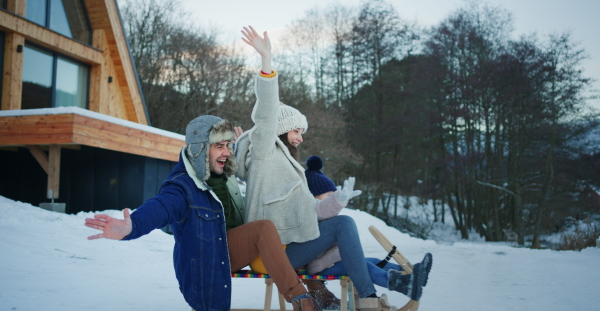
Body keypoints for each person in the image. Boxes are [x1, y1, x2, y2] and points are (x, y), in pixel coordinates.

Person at [234, 26, 432, 311]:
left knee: (346, 238)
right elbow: (265, 115)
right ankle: (370, 298)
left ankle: (388, 288)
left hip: (289, 248)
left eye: (302, 131)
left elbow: (309, 212)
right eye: (296, 130)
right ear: (279, 129)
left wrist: (338, 200)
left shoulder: (286, 165)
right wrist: (266, 61)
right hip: (272, 256)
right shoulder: (265, 153)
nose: (301, 137)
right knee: (345, 225)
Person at [84, 115, 316, 311]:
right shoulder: (182, 186)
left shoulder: (223, 174)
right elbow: (162, 206)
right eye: (219, 146)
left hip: (228, 249)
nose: (226, 152)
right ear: (200, 150)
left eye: (228, 145)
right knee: (262, 229)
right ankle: (300, 299)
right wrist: (132, 225)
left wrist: (238, 144)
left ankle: (319, 288)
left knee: (271, 225)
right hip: (206, 262)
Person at [304, 155, 433, 296]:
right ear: (313, 196)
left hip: (336, 261)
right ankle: (403, 284)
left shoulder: (325, 213)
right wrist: (337, 202)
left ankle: (413, 272)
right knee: (366, 267)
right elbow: (323, 212)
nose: (331, 200)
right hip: (324, 266)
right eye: (328, 196)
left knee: (374, 261)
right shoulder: (312, 213)